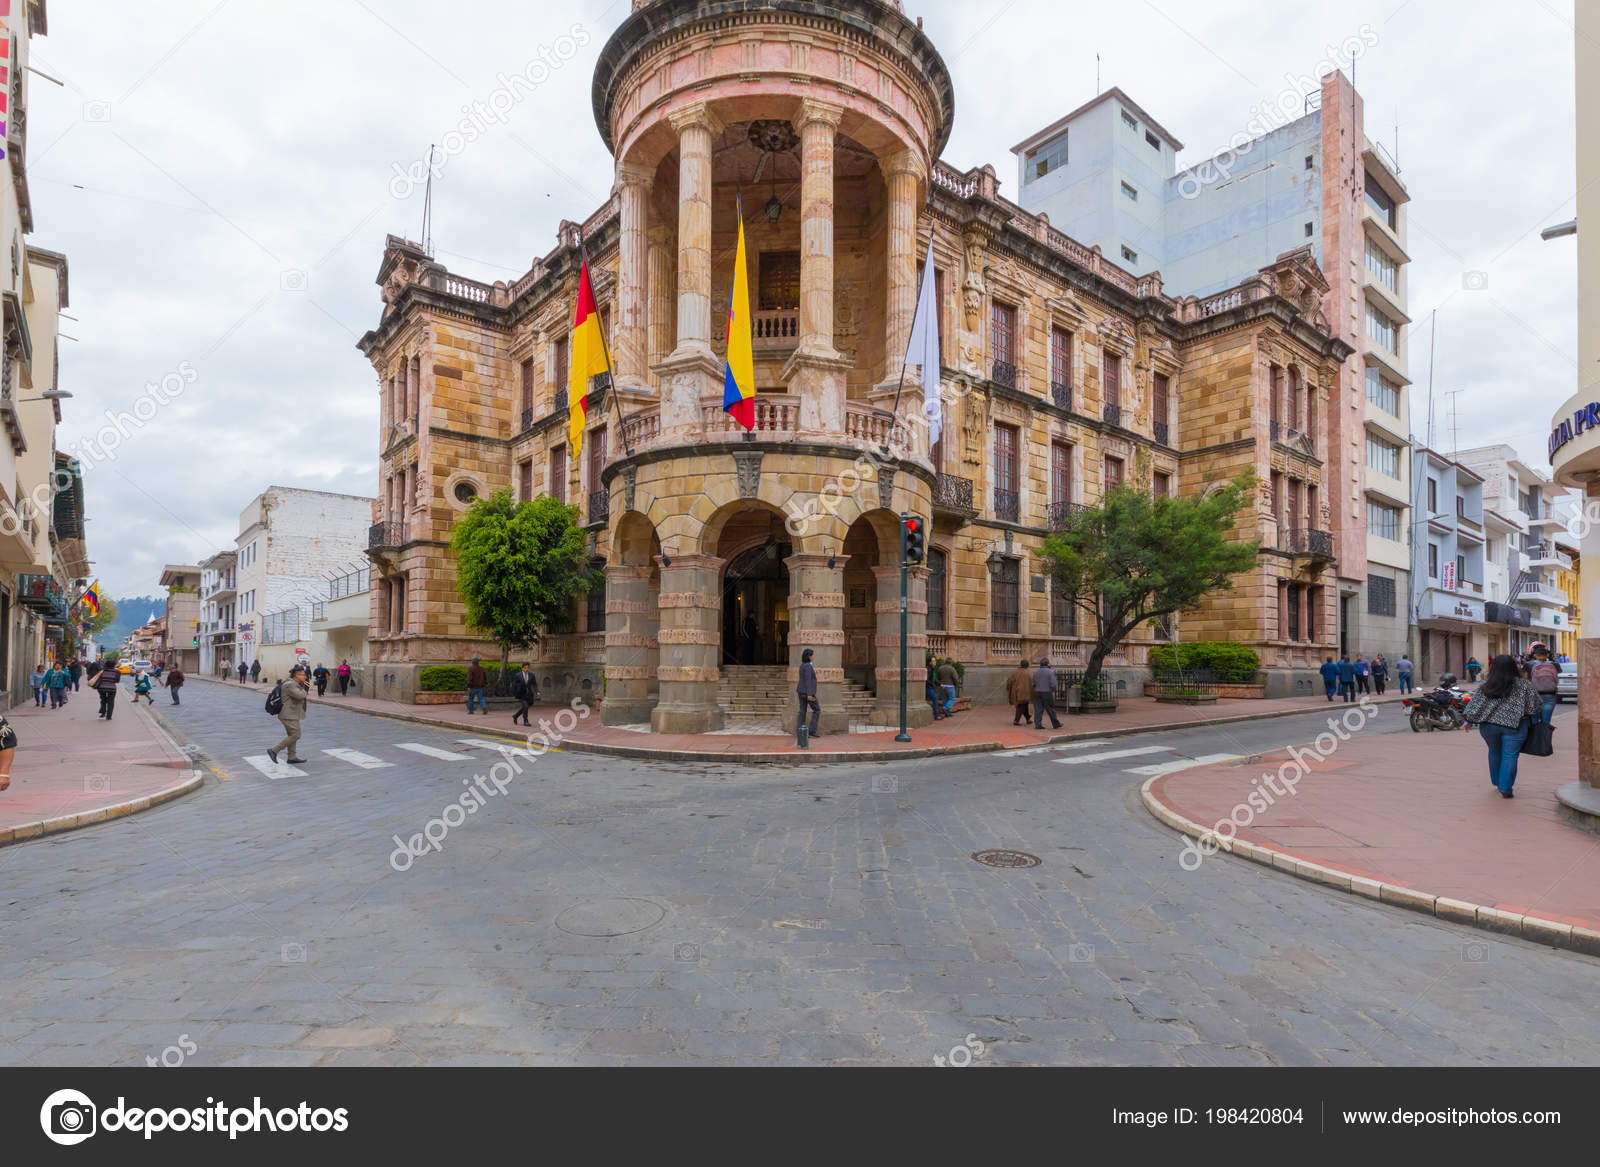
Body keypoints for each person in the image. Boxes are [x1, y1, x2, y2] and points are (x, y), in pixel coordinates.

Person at [1463, 654, 1542, 798]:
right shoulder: (1524, 685)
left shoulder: (1487, 685)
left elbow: (1474, 706)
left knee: (1494, 751)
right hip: (1515, 726)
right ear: (1514, 667)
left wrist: (1468, 721)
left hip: (1489, 726)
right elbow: (1534, 707)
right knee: (1510, 755)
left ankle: (1497, 782)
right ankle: (1505, 788)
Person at [266, 665, 311, 766]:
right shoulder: (290, 684)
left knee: (292, 735)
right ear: (296, 675)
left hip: (291, 714)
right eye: (303, 675)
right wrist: (305, 689)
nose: (305, 677)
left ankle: (292, 757)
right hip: (288, 714)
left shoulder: (294, 683)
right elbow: (300, 696)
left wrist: (302, 686)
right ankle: (274, 751)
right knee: (296, 735)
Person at [1527, 643, 1559, 725]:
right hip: (1550, 695)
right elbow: (1556, 677)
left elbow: (1525, 680)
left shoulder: (1529, 664)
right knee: (1546, 722)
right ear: (1547, 655)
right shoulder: (1554, 664)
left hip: (1534, 695)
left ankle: (1535, 737)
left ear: (1534, 655)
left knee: (1534, 722)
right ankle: (1545, 737)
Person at [796, 648, 821, 738]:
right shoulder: (807, 666)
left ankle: (800, 732)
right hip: (807, 693)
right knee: (817, 710)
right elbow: (808, 681)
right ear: (809, 656)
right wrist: (810, 694)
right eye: (812, 655)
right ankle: (811, 731)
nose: (813, 657)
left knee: (802, 711)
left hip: (801, 692)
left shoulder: (802, 665)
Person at [1032, 658, 1062, 730]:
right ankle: (1056, 724)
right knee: (1050, 709)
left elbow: (1033, 684)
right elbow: (1053, 684)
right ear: (1047, 664)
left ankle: (1038, 724)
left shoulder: (1036, 672)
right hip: (1047, 692)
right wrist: (1053, 690)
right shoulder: (1050, 672)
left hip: (1037, 692)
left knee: (1038, 709)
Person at [1006, 658, 1034, 726]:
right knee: (1022, 705)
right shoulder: (1030, 673)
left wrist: (1008, 689)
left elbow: (1009, 682)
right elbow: (1034, 683)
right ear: (1027, 665)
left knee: (1023, 705)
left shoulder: (1014, 672)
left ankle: (1028, 718)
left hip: (1017, 692)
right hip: (1027, 692)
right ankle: (1016, 720)